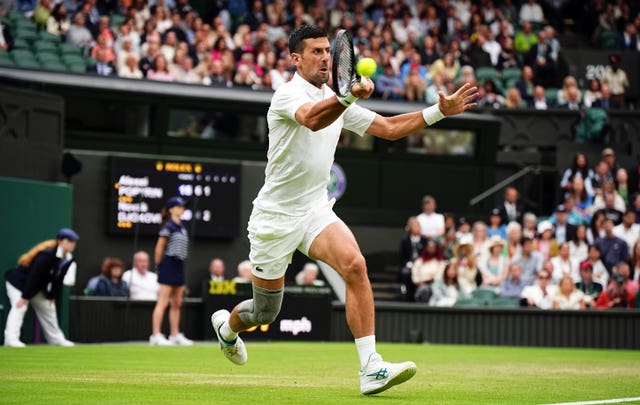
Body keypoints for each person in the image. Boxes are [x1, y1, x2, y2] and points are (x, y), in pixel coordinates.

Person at [209, 24, 478, 396]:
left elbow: (388, 128)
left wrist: (439, 112)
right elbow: (312, 117)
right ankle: (227, 329)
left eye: (326, 51)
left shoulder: (337, 98)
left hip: (315, 209)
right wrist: (347, 98)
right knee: (264, 312)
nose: (324, 57)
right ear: (295, 58)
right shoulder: (286, 96)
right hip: (274, 219)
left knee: (355, 265)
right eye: (315, 52)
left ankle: (370, 367)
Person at [4, 228, 79, 347]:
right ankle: (10, 339)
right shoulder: (47, 254)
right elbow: (34, 276)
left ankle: (56, 340)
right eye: (69, 240)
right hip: (19, 283)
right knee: (20, 307)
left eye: (73, 241)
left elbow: (58, 279)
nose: (72, 244)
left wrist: (52, 296)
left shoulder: (68, 258)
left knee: (49, 308)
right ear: (60, 241)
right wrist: (24, 297)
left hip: (37, 287)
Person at [149, 196, 193, 346]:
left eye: (182, 207)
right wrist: (159, 267)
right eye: (179, 206)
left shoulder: (182, 226)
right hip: (168, 264)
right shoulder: (168, 227)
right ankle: (155, 335)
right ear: (171, 209)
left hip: (179, 264)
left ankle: (174, 335)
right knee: (163, 302)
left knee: (177, 303)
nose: (182, 209)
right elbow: (159, 248)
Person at [399, 216, 428, 301]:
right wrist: (409, 263)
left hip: (422, 265)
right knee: (406, 272)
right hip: (409, 264)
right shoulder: (405, 240)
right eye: (414, 226)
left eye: (418, 226)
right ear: (410, 227)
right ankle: (408, 295)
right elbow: (402, 256)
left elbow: (426, 255)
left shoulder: (424, 240)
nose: (417, 228)